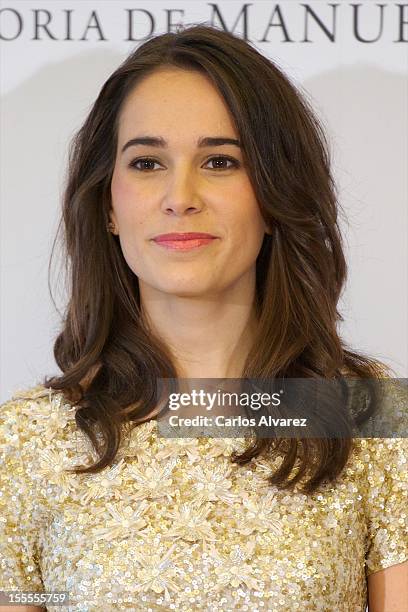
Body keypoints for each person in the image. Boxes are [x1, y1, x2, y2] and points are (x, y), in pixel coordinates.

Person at [0, 24, 407, 612]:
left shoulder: (369, 419)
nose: (180, 195)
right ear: (109, 205)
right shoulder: (25, 440)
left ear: (272, 196)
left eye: (219, 161)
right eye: (146, 163)